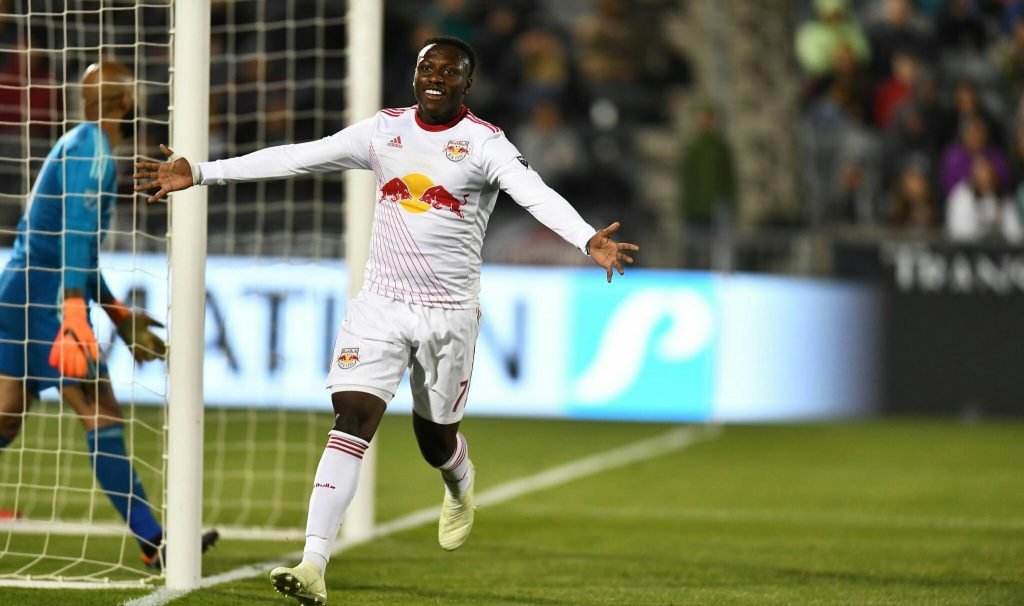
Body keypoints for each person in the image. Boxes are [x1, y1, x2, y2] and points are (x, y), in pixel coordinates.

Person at [135, 36, 638, 605]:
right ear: (414, 74)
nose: (435, 78)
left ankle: (459, 479)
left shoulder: (484, 143)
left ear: (467, 84)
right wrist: (202, 171)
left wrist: (586, 238)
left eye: (449, 71)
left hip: (449, 315)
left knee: (434, 440)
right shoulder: (384, 131)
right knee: (351, 417)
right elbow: (299, 155)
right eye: (427, 67)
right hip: (381, 304)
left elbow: (534, 194)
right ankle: (313, 563)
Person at [0, 61, 219, 568]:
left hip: (20, 293)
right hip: (49, 300)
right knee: (101, 411)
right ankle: (154, 543)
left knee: (7, 414)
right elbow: (76, 240)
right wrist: (75, 313)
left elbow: (78, 252)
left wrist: (118, 315)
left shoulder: (79, 143)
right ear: (127, 101)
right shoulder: (94, 152)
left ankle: (153, 541)